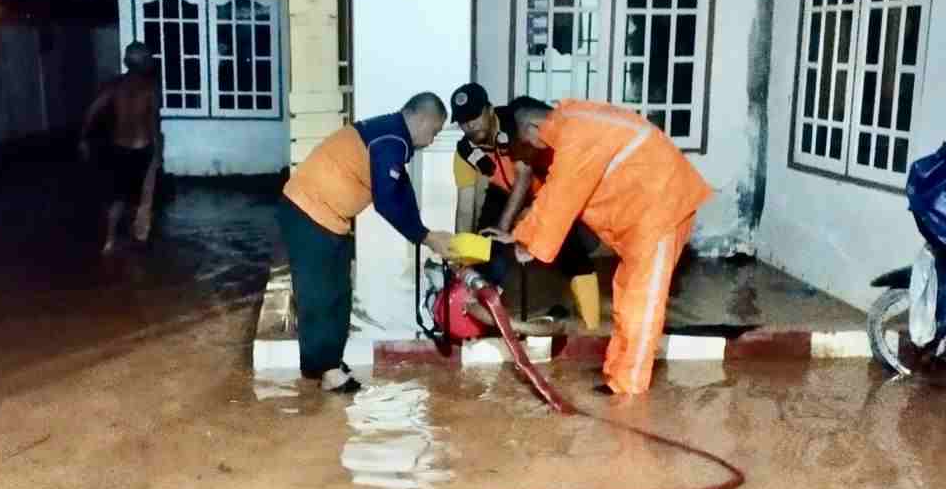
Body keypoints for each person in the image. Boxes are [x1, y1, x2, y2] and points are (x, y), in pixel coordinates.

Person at [498, 97, 712, 396]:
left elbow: (562, 194)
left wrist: (528, 244)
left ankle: (630, 390)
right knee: (628, 293)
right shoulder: (573, 122)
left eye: (526, 140)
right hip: (646, 213)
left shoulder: (575, 132)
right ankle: (618, 374)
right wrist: (523, 231)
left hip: (663, 207)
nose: (532, 147)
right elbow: (555, 189)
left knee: (641, 301)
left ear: (532, 126)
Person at [280, 92, 456, 393]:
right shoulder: (391, 138)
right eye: (434, 131)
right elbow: (387, 201)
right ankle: (326, 370)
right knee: (319, 294)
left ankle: (329, 360)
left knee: (338, 292)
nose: (431, 140)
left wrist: (426, 232)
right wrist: (424, 236)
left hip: (328, 218)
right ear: (423, 118)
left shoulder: (392, 136)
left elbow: (402, 192)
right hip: (308, 211)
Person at [449, 84, 602, 328]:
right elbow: (466, 207)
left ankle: (592, 326)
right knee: (483, 247)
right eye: (464, 121)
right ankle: (484, 317)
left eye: (475, 115)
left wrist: (506, 229)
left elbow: (524, 178)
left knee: (572, 249)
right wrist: (460, 252)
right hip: (502, 193)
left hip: (542, 190)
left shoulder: (514, 123)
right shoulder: (464, 152)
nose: (471, 125)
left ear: (489, 110)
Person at [79, 42, 162, 254]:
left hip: (118, 148)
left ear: (127, 62)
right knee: (140, 199)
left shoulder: (114, 85)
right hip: (142, 148)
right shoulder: (149, 87)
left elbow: (92, 111)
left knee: (117, 197)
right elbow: (153, 121)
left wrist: (84, 137)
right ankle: (138, 239)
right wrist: (158, 152)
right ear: (143, 63)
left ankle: (109, 241)